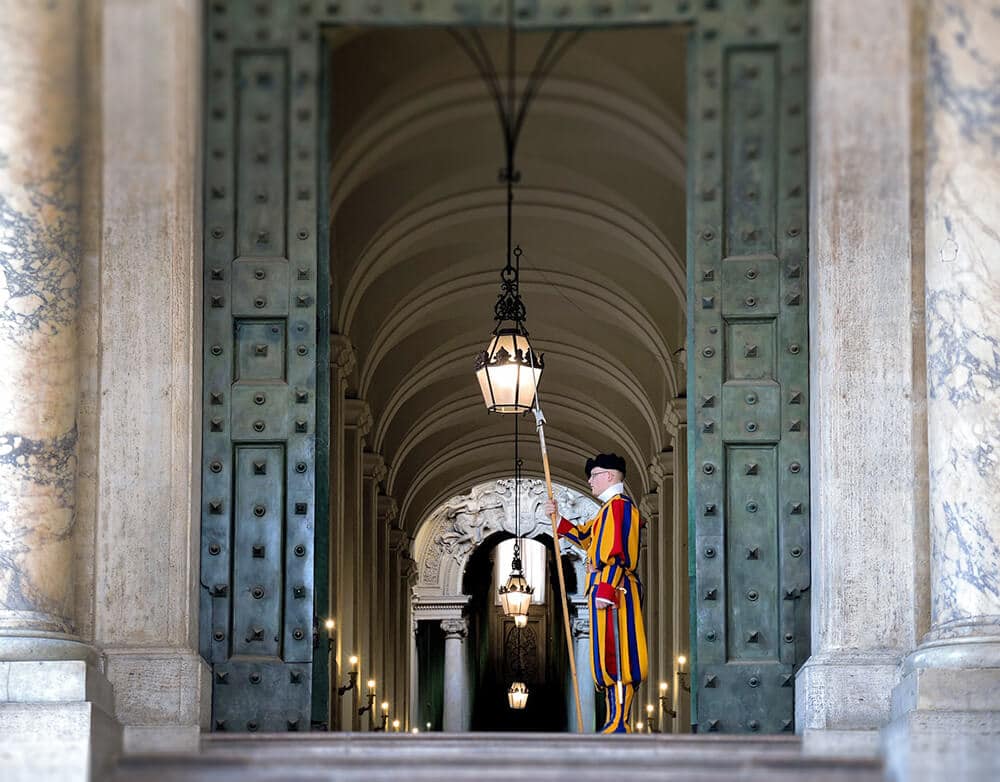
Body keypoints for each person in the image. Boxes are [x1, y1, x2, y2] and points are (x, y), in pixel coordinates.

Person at [545, 452, 648, 733]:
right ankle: (613, 718)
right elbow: (585, 537)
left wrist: (606, 587)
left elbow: (618, 552)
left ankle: (620, 720)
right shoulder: (605, 511)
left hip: (614, 590)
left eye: (595, 475)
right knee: (605, 656)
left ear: (611, 476)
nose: (590, 481)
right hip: (605, 588)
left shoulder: (620, 508)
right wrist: (558, 518)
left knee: (619, 654)